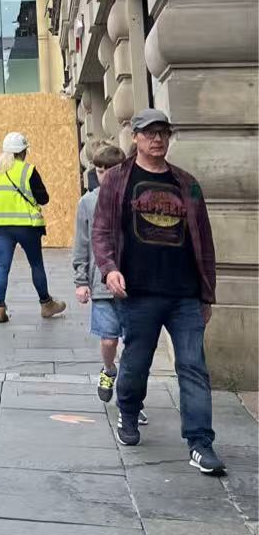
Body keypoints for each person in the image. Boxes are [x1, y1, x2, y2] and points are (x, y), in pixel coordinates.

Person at [91, 108, 224, 475]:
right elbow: (101, 231)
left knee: (193, 367)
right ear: (135, 137)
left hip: (184, 294)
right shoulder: (117, 179)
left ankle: (200, 443)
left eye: (163, 132)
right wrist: (109, 269)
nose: (157, 139)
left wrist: (207, 293)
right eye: (149, 132)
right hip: (139, 292)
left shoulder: (187, 183)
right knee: (137, 362)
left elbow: (205, 241)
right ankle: (129, 411)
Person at [0, 131, 65, 323]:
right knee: (36, 264)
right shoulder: (28, 170)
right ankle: (46, 304)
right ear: (23, 152)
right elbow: (44, 198)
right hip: (27, 226)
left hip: (1, 227)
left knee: (2, 266)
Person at [72, 141, 134, 405]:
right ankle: (108, 370)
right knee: (109, 340)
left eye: (111, 170)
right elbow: (82, 242)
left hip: (134, 284)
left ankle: (131, 398)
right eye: (99, 171)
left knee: (134, 345)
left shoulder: (134, 198)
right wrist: (81, 281)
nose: (105, 176)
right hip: (101, 284)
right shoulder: (88, 202)